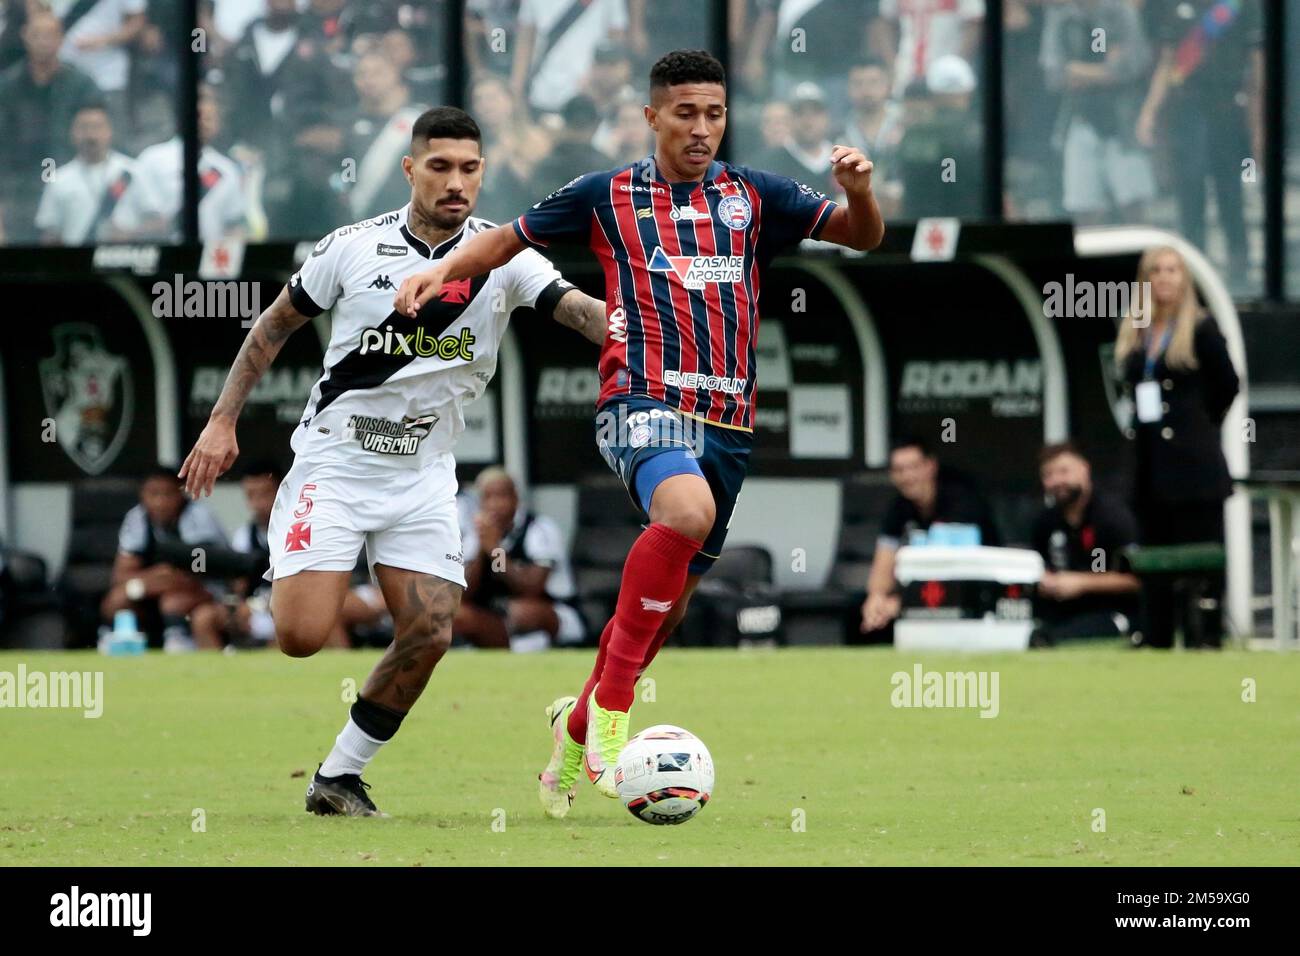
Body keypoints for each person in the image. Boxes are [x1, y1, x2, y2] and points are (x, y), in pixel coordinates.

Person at [395, 49, 883, 817]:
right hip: (641, 400)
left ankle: (579, 722)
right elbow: (507, 241)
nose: (701, 129)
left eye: (714, 114)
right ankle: (615, 713)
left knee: (672, 606)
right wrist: (442, 273)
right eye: (685, 114)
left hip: (728, 425)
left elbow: (862, 236)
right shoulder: (604, 194)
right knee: (683, 515)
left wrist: (859, 192)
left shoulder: (755, 195)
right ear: (652, 116)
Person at [179, 106, 606, 817]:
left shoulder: (507, 256)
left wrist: (637, 332)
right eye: (440, 166)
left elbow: (577, 310)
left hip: (424, 476)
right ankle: (308, 571)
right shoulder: (352, 246)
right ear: (410, 169)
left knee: (433, 630)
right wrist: (223, 420)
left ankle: (338, 777)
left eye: (470, 168)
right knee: (300, 636)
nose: (456, 181)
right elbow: (274, 324)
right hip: (336, 467)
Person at [1115, 245, 1239, 649]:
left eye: (1172, 270)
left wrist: (1198, 426)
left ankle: (1205, 634)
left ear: (1184, 279)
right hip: (1150, 466)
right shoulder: (1136, 331)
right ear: (1145, 279)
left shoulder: (1201, 329)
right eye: (1156, 271)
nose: (1164, 278)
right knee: (1155, 556)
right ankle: (1156, 636)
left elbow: (1227, 384)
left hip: (1193, 466)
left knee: (1201, 555)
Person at [860, 437, 1000, 634]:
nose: (907, 476)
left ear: (930, 466)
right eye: (899, 470)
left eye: (914, 467)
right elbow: (885, 557)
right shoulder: (898, 507)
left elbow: (949, 569)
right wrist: (876, 598)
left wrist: (903, 601)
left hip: (975, 594)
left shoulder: (962, 502)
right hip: (923, 595)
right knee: (866, 614)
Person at [100, 464, 230, 652]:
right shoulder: (137, 517)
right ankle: (118, 641)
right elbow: (120, 575)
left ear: (181, 493)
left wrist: (161, 578)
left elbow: (200, 571)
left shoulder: (198, 515)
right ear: (142, 495)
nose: (160, 502)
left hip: (208, 591)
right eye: (153, 494)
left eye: (167, 494)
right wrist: (155, 579)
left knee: (173, 601)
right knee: (117, 600)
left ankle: (181, 641)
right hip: (155, 591)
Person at [455, 467, 586, 652]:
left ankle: (509, 646)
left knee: (519, 612)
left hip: (555, 612)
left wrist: (495, 550)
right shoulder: (478, 534)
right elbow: (465, 593)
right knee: (455, 613)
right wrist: (481, 549)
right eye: (487, 498)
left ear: (515, 498)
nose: (495, 505)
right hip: (497, 614)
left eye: (501, 497)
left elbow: (530, 588)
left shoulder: (539, 529)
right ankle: (511, 647)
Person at [0, 9, 102, 242]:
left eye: (50, 35)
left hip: (71, 182)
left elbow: (98, 129)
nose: (43, 42)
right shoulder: (7, 87)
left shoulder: (81, 85)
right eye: (37, 34)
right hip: (19, 189)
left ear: (61, 38)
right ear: (25, 36)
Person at [1030, 442, 1140, 645]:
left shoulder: (1112, 518)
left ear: (1084, 470)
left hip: (1112, 613)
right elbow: (1038, 566)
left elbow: (1136, 580)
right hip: (1060, 613)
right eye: (1048, 475)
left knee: (1057, 640)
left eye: (1064, 471)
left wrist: (1080, 583)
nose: (1056, 481)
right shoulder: (1045, 522)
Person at [35, 104, 134, 245]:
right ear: (72, 133)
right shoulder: (58, 179)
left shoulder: (132, 171)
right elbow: (50, 234)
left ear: (110, 131)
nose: (91, 135)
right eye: (84, 128)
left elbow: (159, 223)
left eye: (97, 127)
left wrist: (133, 234)